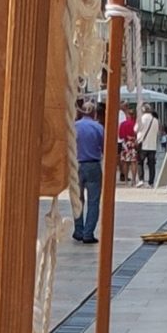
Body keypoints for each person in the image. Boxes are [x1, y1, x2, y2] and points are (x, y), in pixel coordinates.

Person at [74, 102, 106, 244]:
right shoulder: (98, 127)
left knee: (77, 200)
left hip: (76, 165)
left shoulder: (74, 127)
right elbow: (105, 147)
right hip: (93, 165)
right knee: (93, 201)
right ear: (94, 113)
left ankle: (78, 230)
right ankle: (88, 233)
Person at [133, 103, 160, 188]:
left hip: (143, 144)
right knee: (152, 164)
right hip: (152, 145)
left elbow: (135, 129)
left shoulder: (141, 119)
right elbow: (157, 132)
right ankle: (151, 182)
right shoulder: (155, 120)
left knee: (140, 162)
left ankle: (141, 180)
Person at [117, 103, 138, 185]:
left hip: (125, 144)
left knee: (125, 162)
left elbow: (120, 135)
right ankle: (133, 180)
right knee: (134, 162)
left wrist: (126, 137)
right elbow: (138, 134)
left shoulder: (123, 124)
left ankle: (125, 179)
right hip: (133, 144)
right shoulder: (136, 124)